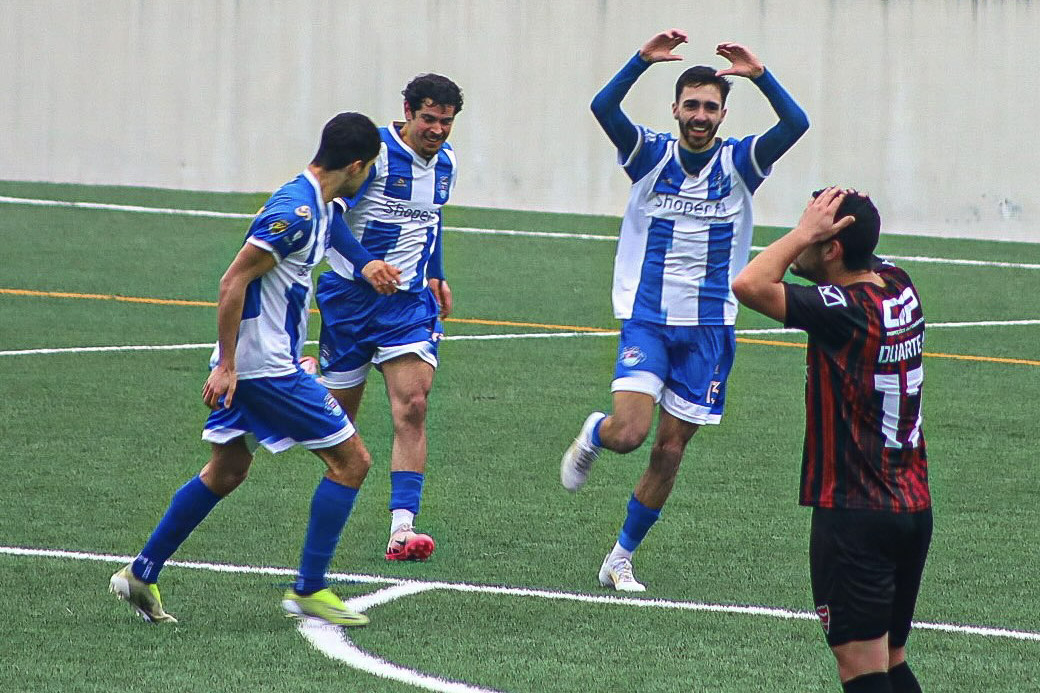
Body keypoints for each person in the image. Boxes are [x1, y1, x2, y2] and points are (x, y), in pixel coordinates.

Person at [109, 112, 401, 627]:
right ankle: (310, 589)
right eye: (369, 168)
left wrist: (366, 265)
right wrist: (228, 366)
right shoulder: (296, 213)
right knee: (352, 462)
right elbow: (232, 282)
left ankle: (141, 572)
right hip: (260, 368)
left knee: (227, 470)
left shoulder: (319, 202)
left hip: (260, 361)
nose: (370, 178)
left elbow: (331, 238)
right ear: (355, 166)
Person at [560, 29, 809, 592]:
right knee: (629, 434)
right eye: (692, 105)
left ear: (723, 114)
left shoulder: (742, 160)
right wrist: (640, 61)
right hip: (647, 318)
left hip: (711, 328)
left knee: (669, 451)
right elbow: (603, 107)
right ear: (675, 109)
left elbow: (796, 125)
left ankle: (620, 556)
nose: (700, 115)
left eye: (711, 107)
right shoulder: (648, 154)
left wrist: (761, 74)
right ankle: (595, 434)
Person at [731, 188, 931, 693]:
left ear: (833, 247)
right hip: (911, 506)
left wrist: (804, 233)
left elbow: (749, 283)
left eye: (812, 235)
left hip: (855, 513)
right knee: (891, 657)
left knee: (861, 670)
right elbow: (860, 255)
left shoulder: (844, 310)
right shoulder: (899, 286)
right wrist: (826, 228)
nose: (798, 243)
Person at [316, 74, 463, 561]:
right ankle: (303, 380)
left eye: (446, 121)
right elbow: (330, 216)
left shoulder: (446, 164)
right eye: (428, 119)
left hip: (407, 305)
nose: (437, 130)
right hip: (349, 301)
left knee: (413, 406)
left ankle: (403, 528)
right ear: (407, 111)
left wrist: (437, 274)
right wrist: (366, 263)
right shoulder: (371, 153)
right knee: (335, 425)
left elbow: (432, 219)